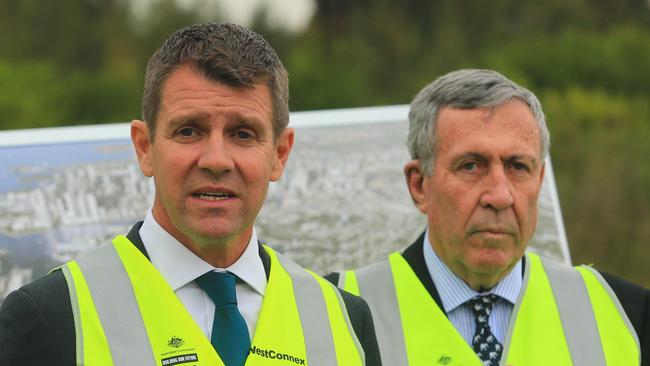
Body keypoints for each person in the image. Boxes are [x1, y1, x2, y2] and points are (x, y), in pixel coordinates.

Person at [0, 23, 380, 366]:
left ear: (279, 154)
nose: (216, 160)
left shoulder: (345, 320)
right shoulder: (50, 316)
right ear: (145, 147)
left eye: (243, 134)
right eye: (188, 131)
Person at [328, 69, 649, 365]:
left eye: (518, 167)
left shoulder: (628, 315)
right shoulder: (333, 310)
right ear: (419, 185)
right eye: (471, 166)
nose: (499, 195)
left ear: (539, 181)